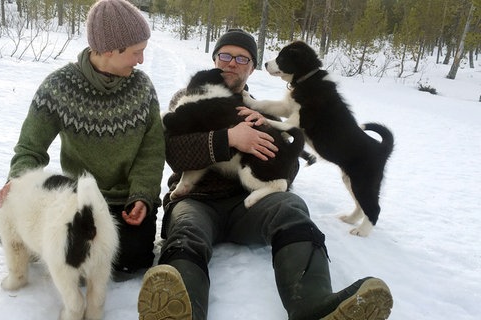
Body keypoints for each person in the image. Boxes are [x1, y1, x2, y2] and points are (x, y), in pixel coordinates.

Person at [137, 29, 393, 320]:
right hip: (196, 200)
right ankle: (181, 311)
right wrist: (228, 139)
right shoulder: (188, 97)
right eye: (225, 55)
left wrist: (272, 133)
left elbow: (289, 169)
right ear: (214, 59)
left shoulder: (257, 109)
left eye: (242, 58)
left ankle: (315, 305)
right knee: (186, 229)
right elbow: (173, 153)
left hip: (250, 205)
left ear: (251, 67)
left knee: (292, 208)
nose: (232, 63)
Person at [0, 0, 165, 277]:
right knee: (65, 249)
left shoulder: (142, 88)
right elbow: (30, 147)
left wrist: (143, 196)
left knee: (131, 258)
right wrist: (17, 180)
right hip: (75, 199)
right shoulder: (59, 87)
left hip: (125, 202)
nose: (141, 61)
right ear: (110, 50)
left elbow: (152, 151)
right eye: (137, 52)